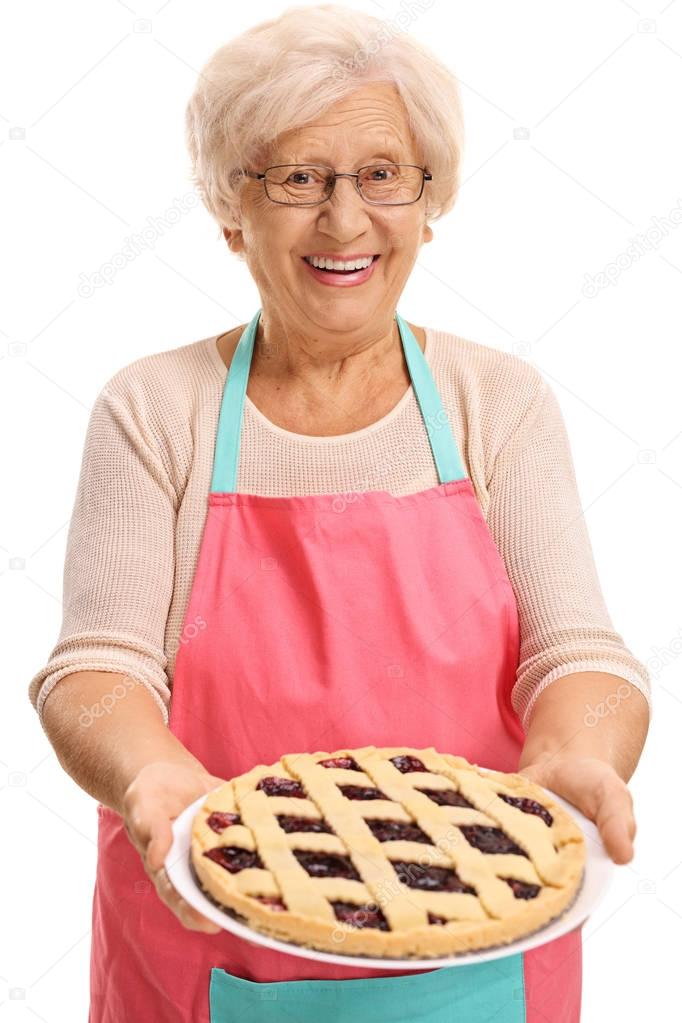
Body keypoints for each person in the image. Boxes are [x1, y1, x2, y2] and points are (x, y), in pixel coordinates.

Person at [29, 6, 651, 1021]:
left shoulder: (497, 402)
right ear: (232, 209)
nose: (345, 219)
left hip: (477, 957)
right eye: (297, 179)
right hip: (208, 950)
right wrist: (149, 774)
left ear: (428, 198)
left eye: (382, 174)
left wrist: (575, 754)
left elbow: (577, 651)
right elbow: (98, 665)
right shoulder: (156, 408)